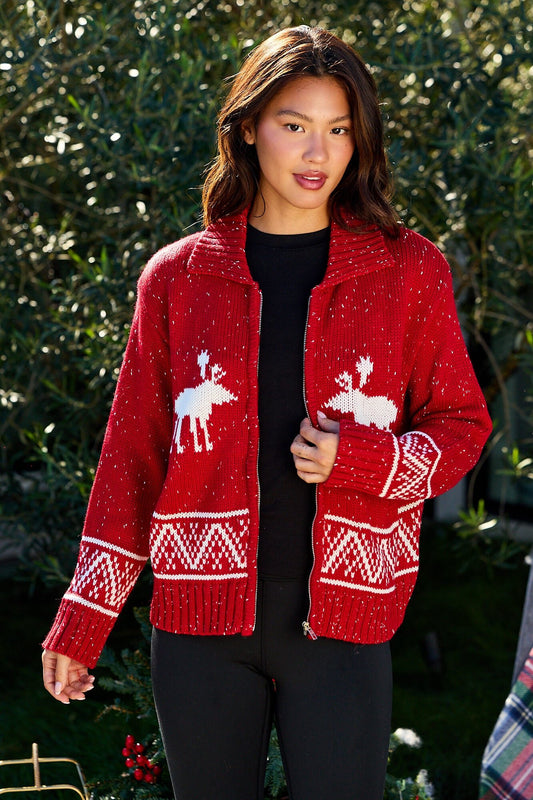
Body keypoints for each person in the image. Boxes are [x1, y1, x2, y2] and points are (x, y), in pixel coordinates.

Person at [42, 25, 492, 800]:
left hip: (342, 624)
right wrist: (85, 617)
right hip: (197, 627)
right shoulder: (177, 279)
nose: (317, 153)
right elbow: (133, 456)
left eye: (338, 129)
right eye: (294, 125)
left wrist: (362, 461)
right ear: (248, 129)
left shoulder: (406, 269)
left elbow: (461, 425)